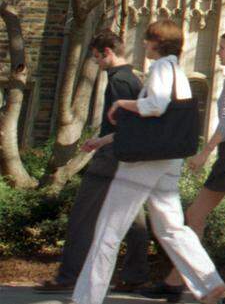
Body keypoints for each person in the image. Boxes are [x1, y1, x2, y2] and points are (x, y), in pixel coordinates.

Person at [73, 19, 225, 304]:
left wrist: (124, 104)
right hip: (169, 159)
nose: (143, 43)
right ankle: (208, 281)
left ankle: (86, 298)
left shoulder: (160, 68)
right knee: (170, 227)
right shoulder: (178, 72)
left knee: (108, 229)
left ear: (158, 42)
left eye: (148, 39)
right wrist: (105, 139)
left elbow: (156, 106)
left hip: (145, 162)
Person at [141, 30, 225, 304]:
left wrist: (205, 152)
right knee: (195, 214)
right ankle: (176, 281)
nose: (218, 52)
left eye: (222, 48)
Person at [34, 30, 150, 295]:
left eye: (97, 57)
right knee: (133, 218)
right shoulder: (132, 79)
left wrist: (99, 142)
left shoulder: (119, 81)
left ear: (108, 52)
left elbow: (129, 127)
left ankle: (70, 275)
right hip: (130, 157)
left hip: (112, 156)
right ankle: (136, 275)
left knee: (82, 216)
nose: (97, 63)